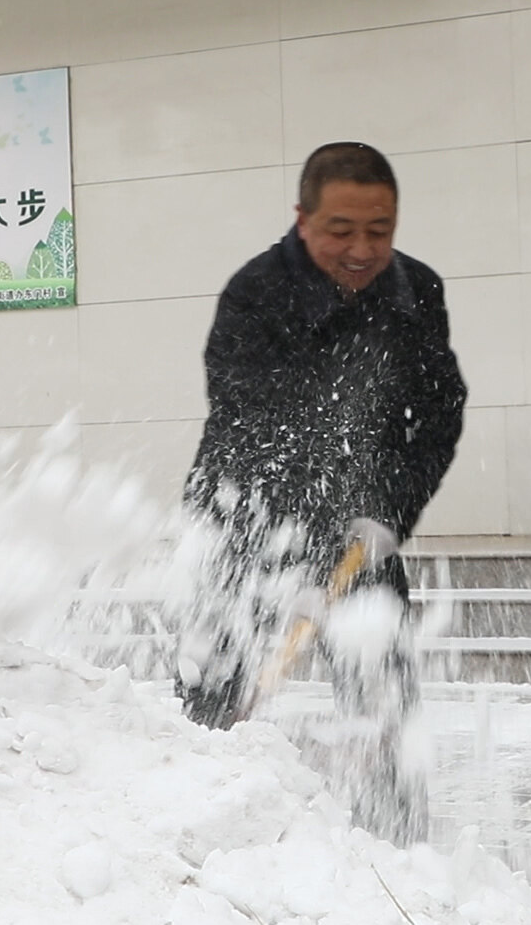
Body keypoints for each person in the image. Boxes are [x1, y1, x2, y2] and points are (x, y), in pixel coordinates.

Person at [172, 141, 465, 843]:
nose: (363, 249)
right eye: (342, 230)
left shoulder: (415, 290)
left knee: (381, 685)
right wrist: (311, 530)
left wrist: (390, 507)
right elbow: (253, 423)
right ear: (302, 219)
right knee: (216, 697)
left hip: (366, 521)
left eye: (380, 230)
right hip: (248, 518)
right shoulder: (256, 294)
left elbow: (437, 411)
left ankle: (396, 854)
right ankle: (193, 843)